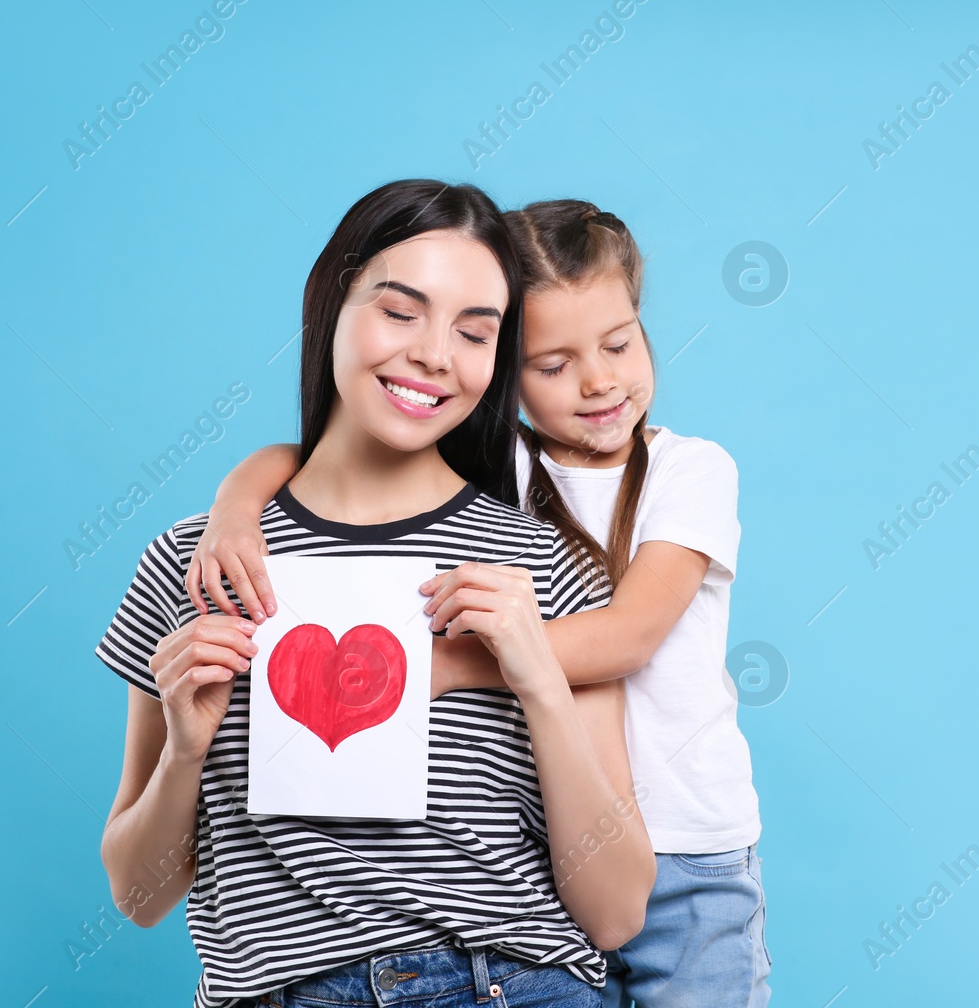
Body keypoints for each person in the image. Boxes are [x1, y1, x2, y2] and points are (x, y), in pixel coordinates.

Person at [189, 199, 770, 1007]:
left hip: (690, 852)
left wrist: (448, 664)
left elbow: (630, 634)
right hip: (559, 849)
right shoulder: (505, 468)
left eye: (618, 342)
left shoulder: (689, 470)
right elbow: (314, 448)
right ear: (503, 368)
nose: (598, 380)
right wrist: (234, 505)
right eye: (552, 363)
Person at [95, 180, 655, 1008]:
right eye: (400, 311)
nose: (435, 353)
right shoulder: (199, 560)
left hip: (507, 986)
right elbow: (139, 899)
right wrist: (185, 750)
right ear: (331, 301)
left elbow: (615, 912)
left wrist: (537, 676)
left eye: (474, 332)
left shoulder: (541, 563)